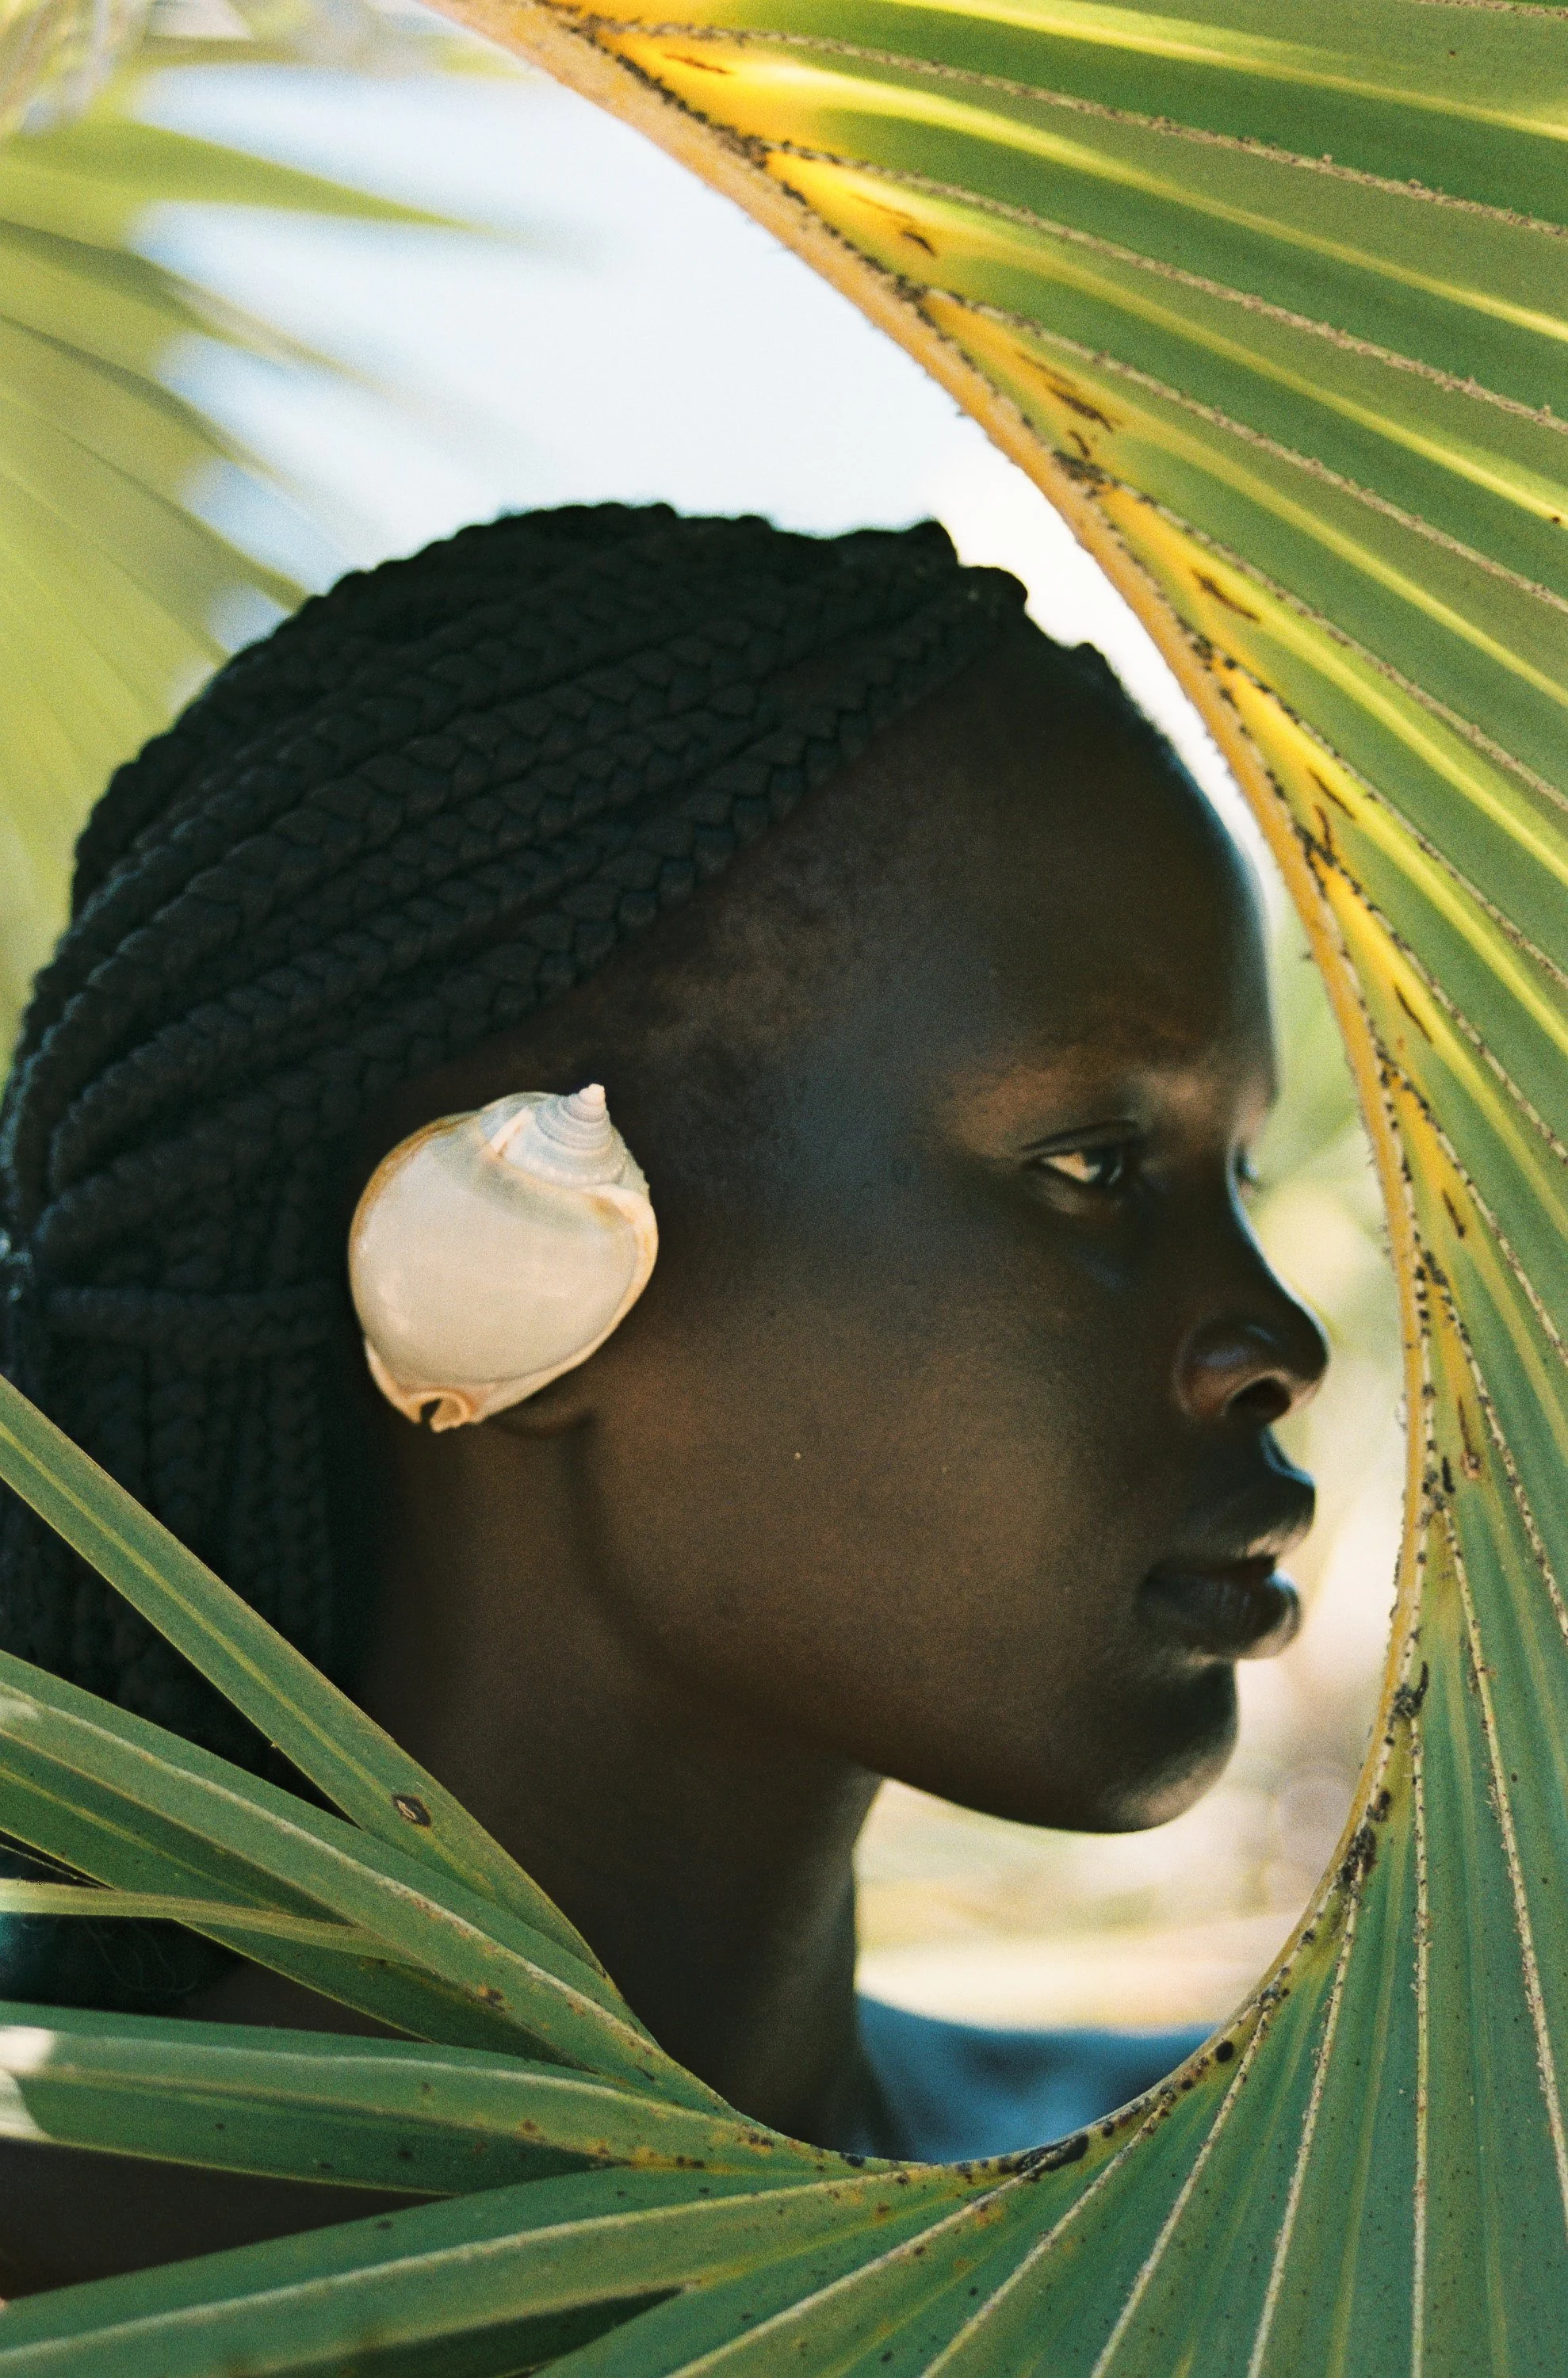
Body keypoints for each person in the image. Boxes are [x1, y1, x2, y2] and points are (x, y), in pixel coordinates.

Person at [0, 503, 1325, 2289]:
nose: (1270, 1339)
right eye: (1095, 1165)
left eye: (1233, 1173)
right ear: (498, 1249)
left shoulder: (1303, 2234)